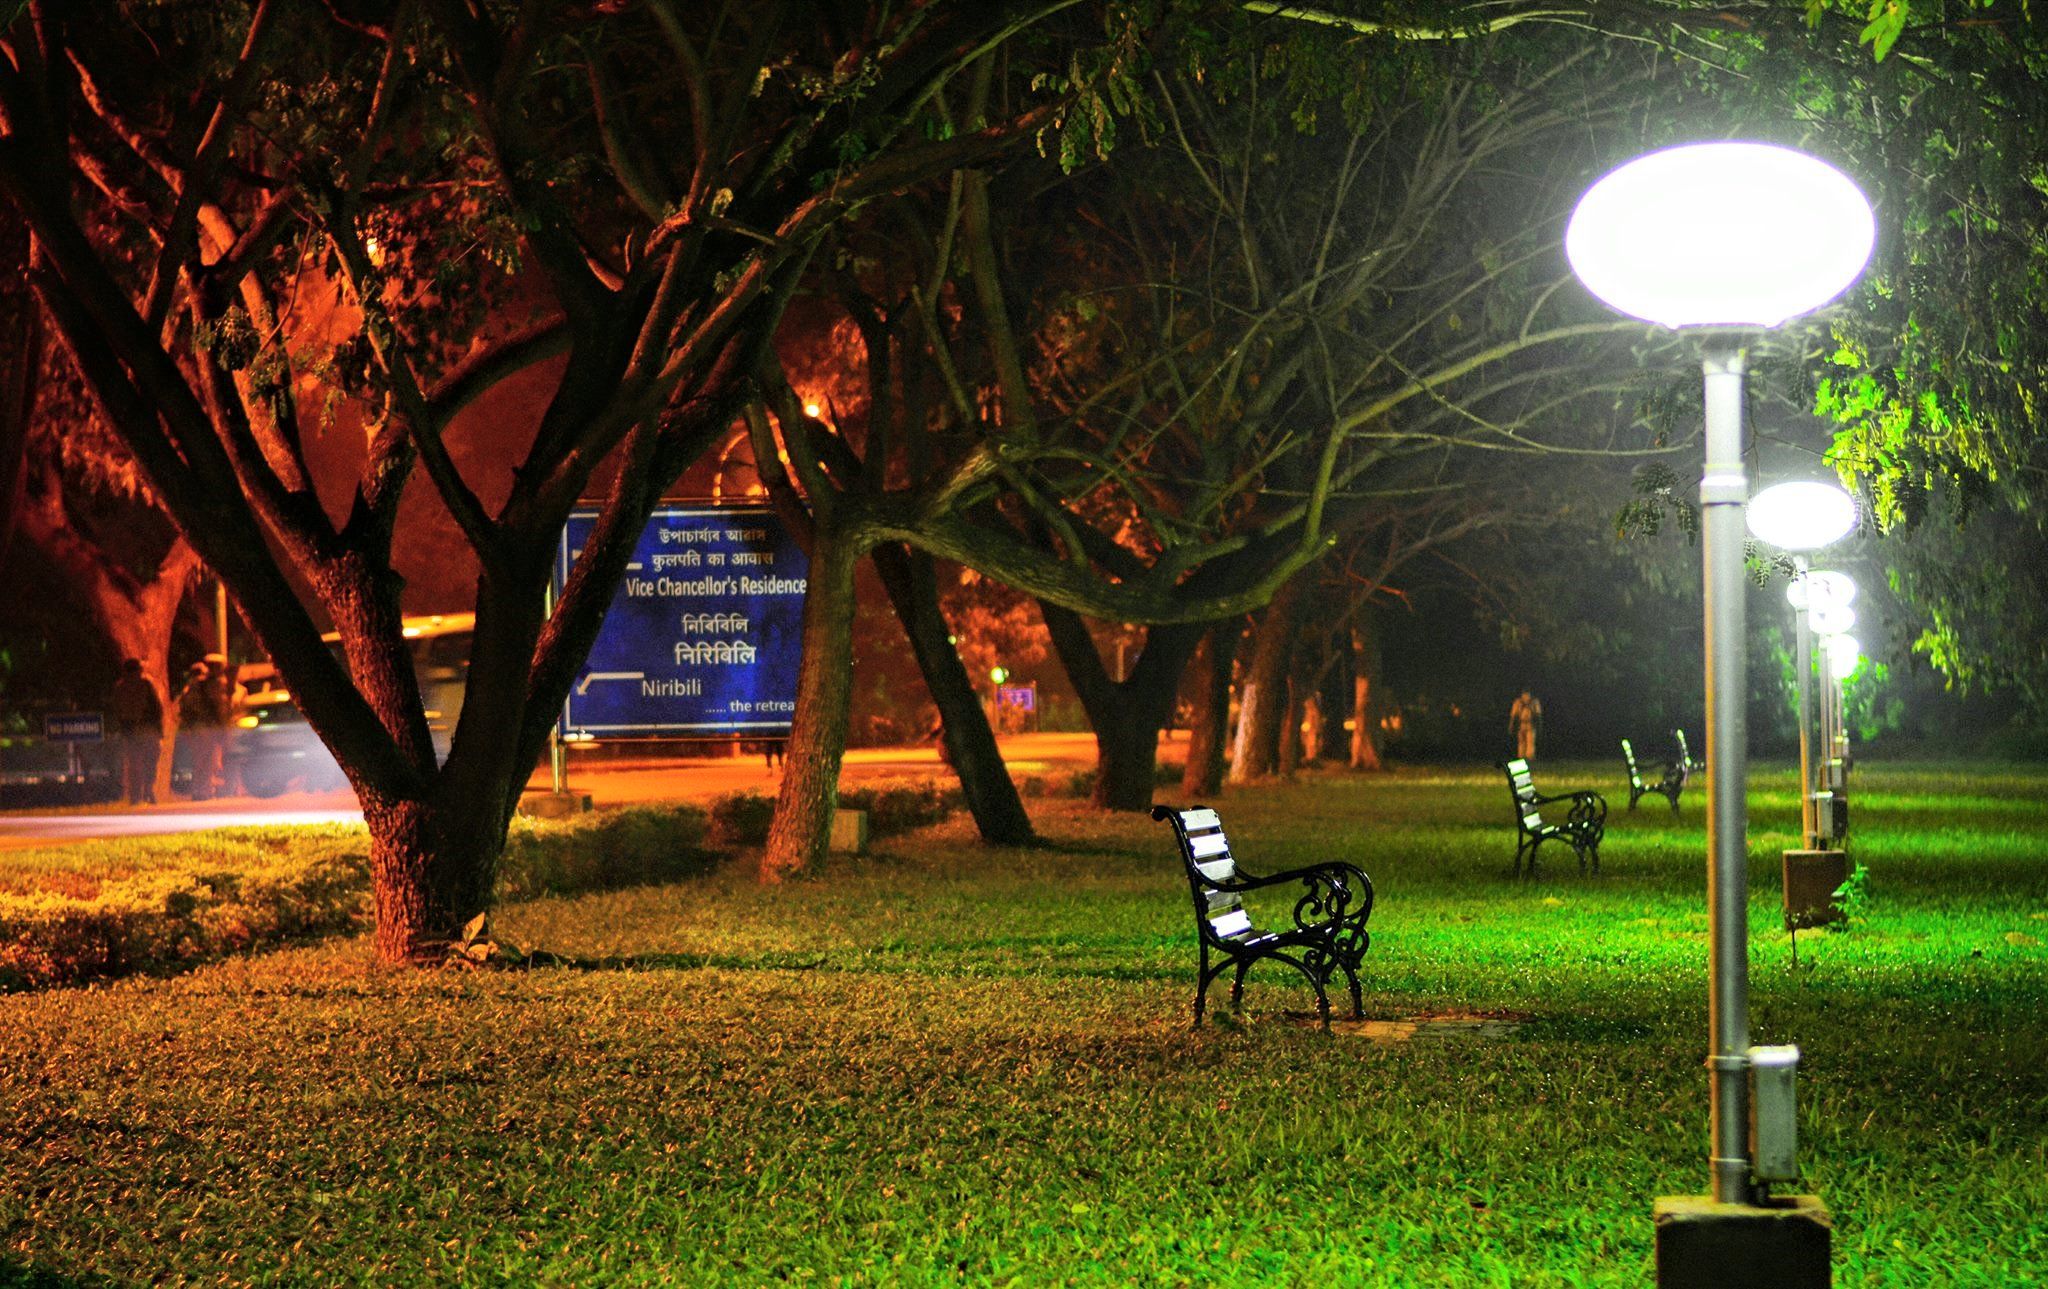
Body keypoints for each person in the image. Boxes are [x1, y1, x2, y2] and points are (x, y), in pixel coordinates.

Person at [109, 658, 163, 804]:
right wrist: (158, 728)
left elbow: (116, 711)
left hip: (130, 731)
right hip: (146, 729)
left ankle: (136, 796)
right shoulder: (145, 685)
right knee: (149, 763)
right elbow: (157, 708)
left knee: (135, 765)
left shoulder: (119, 688)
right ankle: (147, 791)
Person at [175, 658, 230, 799]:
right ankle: (204, 791)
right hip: (208, 726)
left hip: (194, 727)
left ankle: (197, 790)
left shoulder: (194, 684)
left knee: (198, 761)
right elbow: (219, 707)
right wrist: (223, 728)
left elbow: (183, 705)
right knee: (208, 760)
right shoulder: (215, 683)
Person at [1509, 689, 1543, 761]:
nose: (1526, 696)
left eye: (1527, 694)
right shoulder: (1518, 702)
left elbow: (1538, 714)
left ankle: (1529, 757)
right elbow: (1513, 715)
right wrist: (1511, 726)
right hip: (1521, 724)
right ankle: (1522, 757)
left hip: (1530, 724)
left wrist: (1539, 725)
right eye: (1524, 694)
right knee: (1522, 742)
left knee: (1530, 742)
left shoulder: (1534, 702)